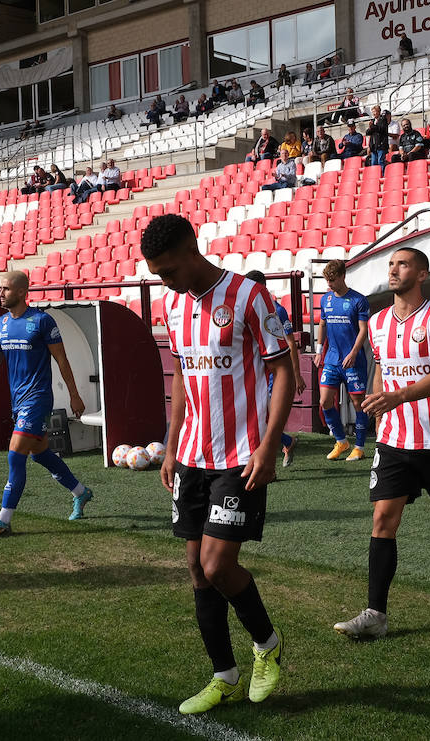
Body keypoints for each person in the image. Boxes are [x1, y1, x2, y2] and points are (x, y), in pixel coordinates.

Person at [140, 214, 291, 714]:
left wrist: (270, 444)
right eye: (157, 274)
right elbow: (183, 375)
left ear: (192, 250)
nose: (165, 281)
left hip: (241, 455)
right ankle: (223, 676)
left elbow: (283, 370)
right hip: (192, 458)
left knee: (216, 563)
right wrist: (171, 441)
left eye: (168, 270)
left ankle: (267, 645)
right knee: (195, 569)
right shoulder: (171, 304)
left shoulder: (249, 296)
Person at [333, 248, 430, 640]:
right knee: (383, 521)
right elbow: (380, 368)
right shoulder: (378, 322)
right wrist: (379, 409)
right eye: (391, 265)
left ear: (422, 273)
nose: (394, 270)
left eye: (403, 264)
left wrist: (397, 397)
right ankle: (375, 614)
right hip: (394, 442)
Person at [0, 271, 95, 536]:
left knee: (14, 455)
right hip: (18, 401)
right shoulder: (2, 323)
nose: (0, 293)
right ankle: (81, 492)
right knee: (40, 453)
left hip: (38, 399)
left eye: (6, 289)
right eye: (0, 289)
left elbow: (62, 360)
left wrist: (75, 395)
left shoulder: (42, 321)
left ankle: (3, 520)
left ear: (22, 292)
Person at [245, 270, 305, 467]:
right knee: (259, 419)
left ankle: (269, 466)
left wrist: (296, 375)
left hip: (273, 375)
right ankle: (287, 442)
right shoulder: (248, 309)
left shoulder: (276, 311)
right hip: (255, 373)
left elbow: (290, 344)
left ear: (261, 287)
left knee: (264, 419)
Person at [317, 260, 371, 461]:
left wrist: (354, 352)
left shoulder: (358, 300)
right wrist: (318, 350)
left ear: (342, 276)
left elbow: (363, 330)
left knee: (358, 403)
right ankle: (341, 441)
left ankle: (359, 446)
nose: (329, 284)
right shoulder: (326, 299)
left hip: (352, 360)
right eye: (327, 281)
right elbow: (322, 324)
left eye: (332, 280)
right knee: (324, 401)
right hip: (332, 359)